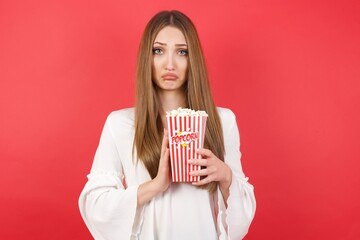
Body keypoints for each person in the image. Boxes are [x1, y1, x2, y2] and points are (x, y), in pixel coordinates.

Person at [79, 10, 256, 240]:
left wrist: (226, 176)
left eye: (182, 52)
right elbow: (95, 205)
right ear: (147, 57)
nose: (170, 64)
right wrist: (155, 186)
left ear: (193, 60)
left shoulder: (222, 121)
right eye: (158, 51)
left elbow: (242, 214)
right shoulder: (121, 124)